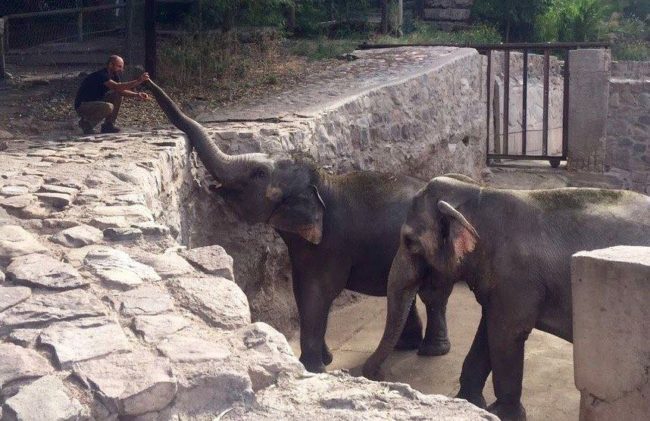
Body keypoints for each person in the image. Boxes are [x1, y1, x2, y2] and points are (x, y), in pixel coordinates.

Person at [74, 55, 150, 134]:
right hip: (82, 105)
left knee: (117, 95)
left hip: (96, 103)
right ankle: (87, 124)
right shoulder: (102, 75)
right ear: (111, 65)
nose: (121, 69)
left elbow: (120, 90)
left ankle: (108, 125)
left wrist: (137, 95)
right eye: (119, 66)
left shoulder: (114, 75)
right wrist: (139, 80)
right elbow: (116, 86)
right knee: (108, 107)